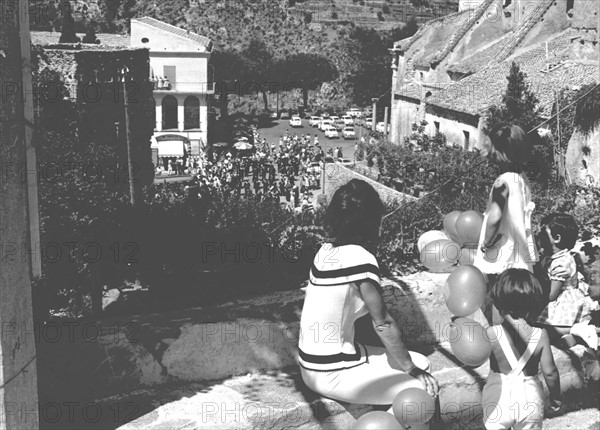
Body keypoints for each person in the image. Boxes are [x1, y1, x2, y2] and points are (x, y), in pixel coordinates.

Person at [298, 179, 439, 423]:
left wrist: (410, 366)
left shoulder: (324, 252)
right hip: (332, 371)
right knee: (420, 388)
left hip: (311, 365)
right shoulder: (361, 259)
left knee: (421, 362)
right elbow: (382, 323)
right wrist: (410, 370)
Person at [473, 125, 539, 326]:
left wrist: (486, 243)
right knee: (513, 303)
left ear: (501, 151)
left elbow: (494, 217)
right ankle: (513, 345)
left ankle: (498, 344)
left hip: (502, 250)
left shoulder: (503, 182)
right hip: (519, 251)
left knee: (497, 298)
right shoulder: (522, 179)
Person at [482, 268, 561, 430]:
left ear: (498, 302)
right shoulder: (541, 335)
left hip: (497, 397)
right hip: (529, 398)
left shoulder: (491, 334)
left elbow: (474, 357)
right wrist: (555, 397)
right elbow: (550, 372)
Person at [535, 213, 598, 350]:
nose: (539, 236)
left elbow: (551, 295)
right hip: (568, 304)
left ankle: (578, 331)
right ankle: (573, 337)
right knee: (542, 329)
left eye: (543, 233)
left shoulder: (561, 263)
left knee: (543, 329)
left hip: (566, 306)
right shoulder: (557, 256)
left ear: (557, 238)